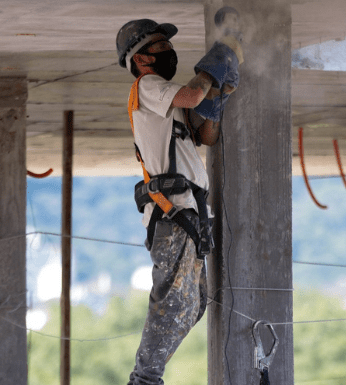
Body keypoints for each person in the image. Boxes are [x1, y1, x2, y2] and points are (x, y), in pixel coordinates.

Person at [115, 18, 242, 385]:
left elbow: (206, 135)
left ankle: (147, 375)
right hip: (173, 216)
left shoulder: (165, 103)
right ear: (141, 60)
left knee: (193, 305)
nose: (170, 51)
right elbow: (190, 95)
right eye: (160, 46)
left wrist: (219, 94)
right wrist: (216, 61)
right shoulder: (148, 86)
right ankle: (145, 378)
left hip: (188, 214)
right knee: (173, 303)